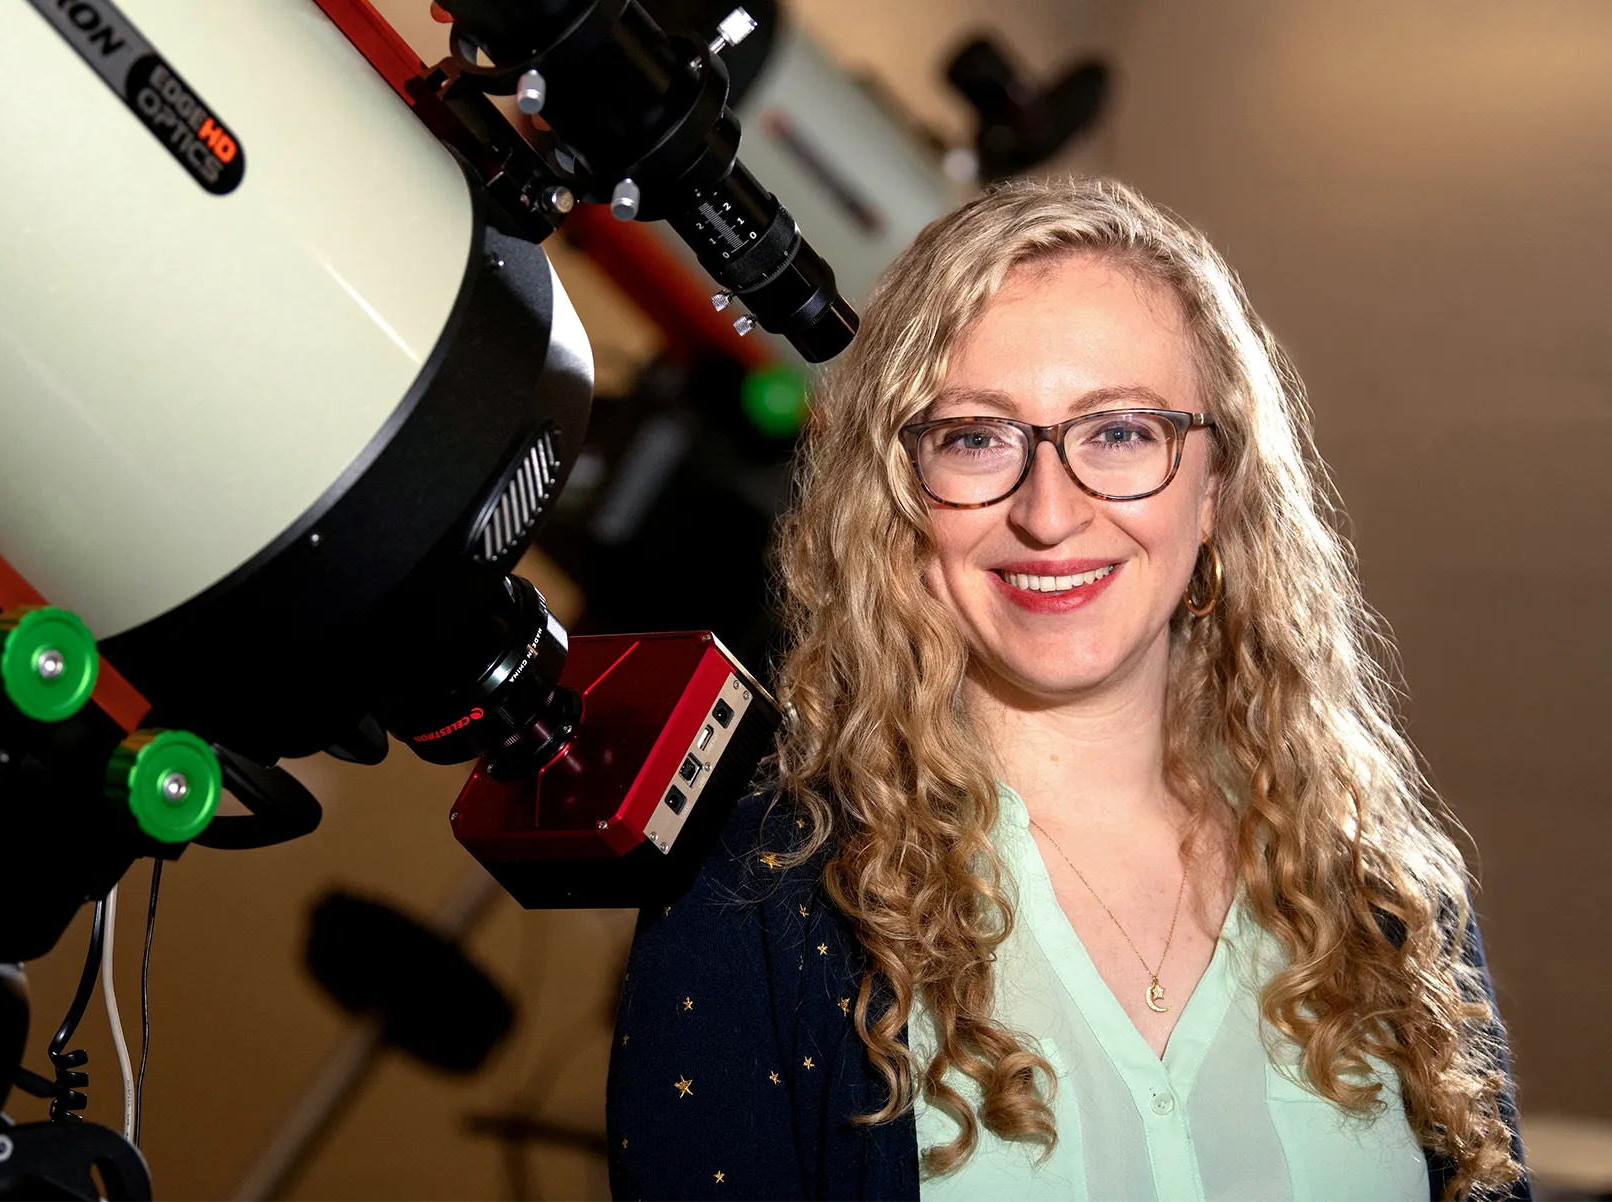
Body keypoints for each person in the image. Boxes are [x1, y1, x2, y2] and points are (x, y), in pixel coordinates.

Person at [605, 177, 1527, 1202]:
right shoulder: (756, 899)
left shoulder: (1386, 891)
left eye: (1122, 431)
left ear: (1218, 481)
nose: (1050, 512)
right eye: (976, 436)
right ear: (900, 492)